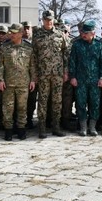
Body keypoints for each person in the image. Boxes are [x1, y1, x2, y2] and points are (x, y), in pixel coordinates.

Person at [32, 10, 68, 138]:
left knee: (57, 100)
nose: (49, 21)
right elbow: (34, 56)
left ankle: (56, 127)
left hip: (57, 74)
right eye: (47, 19)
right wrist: (34, 74)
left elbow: (65, 54)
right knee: (42, 100)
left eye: (51, 19)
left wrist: (65, 71)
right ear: (43, 20)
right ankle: (42, 128)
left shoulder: (60, 34)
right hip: (43, 74)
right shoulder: (37, 35)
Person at [0, 23, 36, 140]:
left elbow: (32, 66)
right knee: (7, 108)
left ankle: (21, 130)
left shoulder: (29, 48)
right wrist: (0, 80)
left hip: (23, 83)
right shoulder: (4, 47)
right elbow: (0, 65)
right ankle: (8, 131)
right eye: (11, 32)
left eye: (14, 33)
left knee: (22, 108)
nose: (12, 35)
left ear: (21, 33)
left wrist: (33, 80)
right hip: (8, 83)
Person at [68, 21, 102, 136]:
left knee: (94, 103)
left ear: (93, 33)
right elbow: (72, 62)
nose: (83, 35)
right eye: (82, 32)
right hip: (80, 80)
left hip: (95, 81)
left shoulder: (100, 46)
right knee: (80, 103)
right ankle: (83, 128)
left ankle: (92, 127)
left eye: (86, 33)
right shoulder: (77, 45)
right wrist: (73, 77)